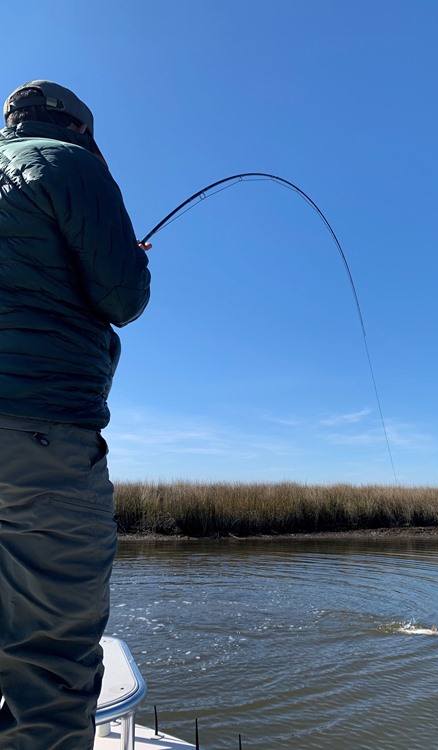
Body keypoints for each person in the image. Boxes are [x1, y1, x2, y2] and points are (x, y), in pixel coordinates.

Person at [0, 80, 151, 750]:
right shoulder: (73, 164)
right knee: (49, 661)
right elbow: (123, 295)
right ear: (82, 130)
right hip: (39, 433)